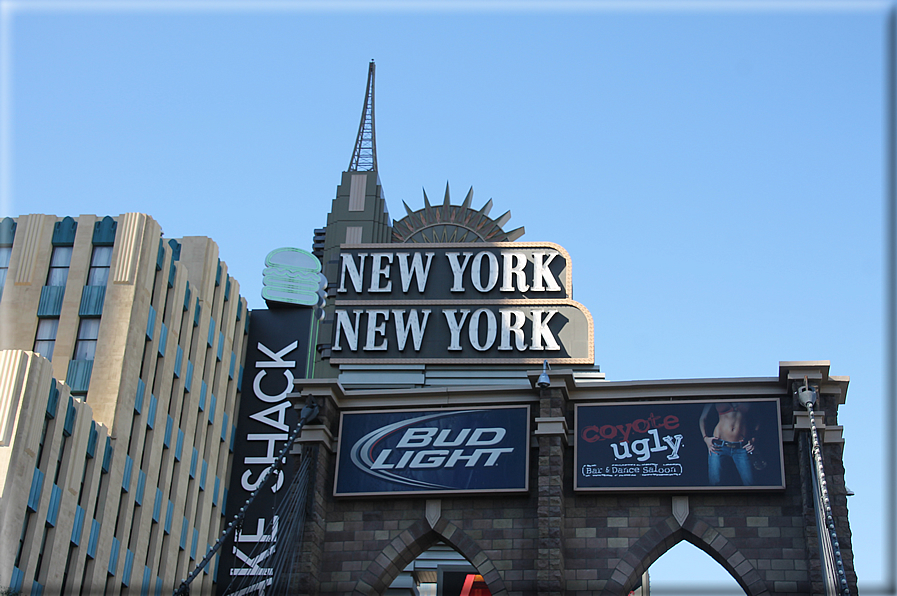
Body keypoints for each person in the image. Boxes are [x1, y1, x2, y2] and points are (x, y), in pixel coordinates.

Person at [699, 402, 760, 486]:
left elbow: (758, 418)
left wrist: (754, 438)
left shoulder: (748, 398)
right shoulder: (715, 397)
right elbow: (702, 418)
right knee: (715, 483)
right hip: (718, 446)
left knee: (750, 482)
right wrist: (705, 438)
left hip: (742, 447)